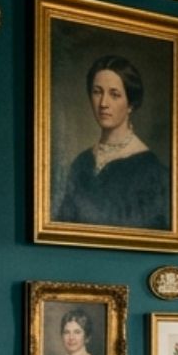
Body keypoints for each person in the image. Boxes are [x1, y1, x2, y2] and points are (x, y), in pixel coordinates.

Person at [56, 51, 170, 230]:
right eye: (97, 92)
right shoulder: (81, 163)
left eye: (114, 94)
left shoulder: (153, 172)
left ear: (130, 104)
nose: (103, 103)